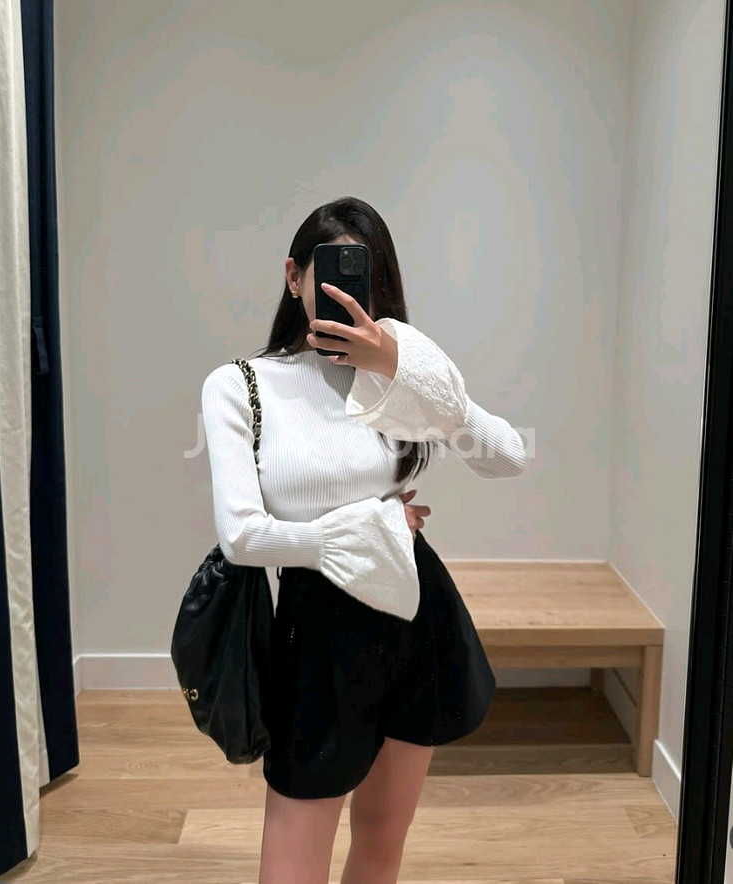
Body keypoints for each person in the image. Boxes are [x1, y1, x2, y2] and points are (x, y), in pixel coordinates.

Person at [201, 196, 527, 884]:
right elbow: (242, 538)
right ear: (294, 276)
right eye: (331, 273)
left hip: (416, 612)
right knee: (291, 865)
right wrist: (374, 526)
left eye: (368, 278)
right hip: (317, 631)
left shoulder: (402, 379)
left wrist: (402, 369)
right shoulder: (241, 386)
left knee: (382, 840)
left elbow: (507, 456)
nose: (351, 292)